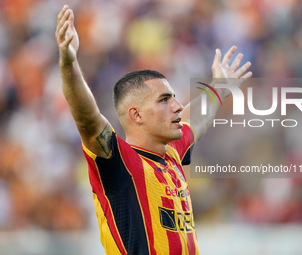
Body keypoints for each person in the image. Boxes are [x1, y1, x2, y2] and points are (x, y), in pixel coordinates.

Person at [55, 5, 252, 255]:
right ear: (136, 114)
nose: (178, 106)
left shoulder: (171, 154)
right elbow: (87, 118)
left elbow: (197, 119)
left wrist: (219, 87)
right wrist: (69, 64)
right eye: (164, 100)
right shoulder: (120, 163)